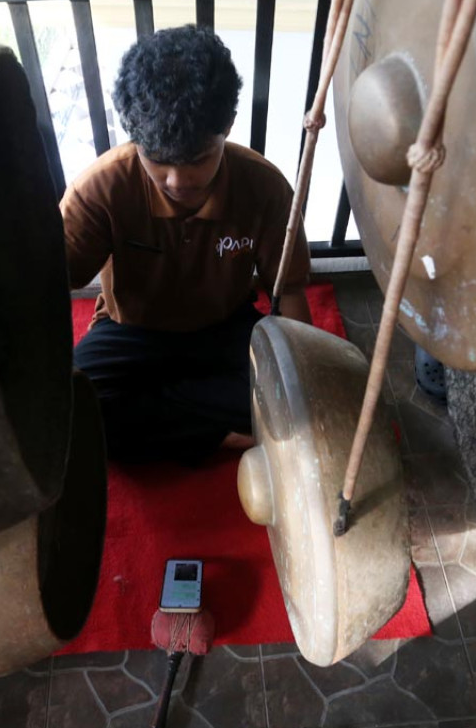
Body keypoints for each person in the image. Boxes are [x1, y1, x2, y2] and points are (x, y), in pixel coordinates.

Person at [62, 25, 312, 465]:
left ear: (226, 129)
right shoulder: (101, 188)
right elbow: (53, 279)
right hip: (132, 330)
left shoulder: (265, 187)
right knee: (70, 407)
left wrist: (301, 382)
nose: (177, 182)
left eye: (197, 161)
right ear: (135, 138)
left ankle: (168, 417)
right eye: (157, 162)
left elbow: (288, 292)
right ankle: (222, 432)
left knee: (293, 398)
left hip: (223, 326)